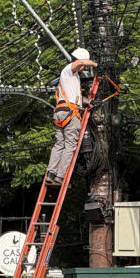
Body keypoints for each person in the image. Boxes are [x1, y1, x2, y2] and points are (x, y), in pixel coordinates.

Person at [45, 48, 98, 186]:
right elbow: (79, 62)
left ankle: (51, 173)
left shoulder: (72, 79)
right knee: (70, 145)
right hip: (70, 113)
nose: (84, 68)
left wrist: (90, 102)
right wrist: (96, 65)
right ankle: (60, 176)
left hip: (61, 112)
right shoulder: (69, 69)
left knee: (59, 144)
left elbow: (77, 99)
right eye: (84, 66)